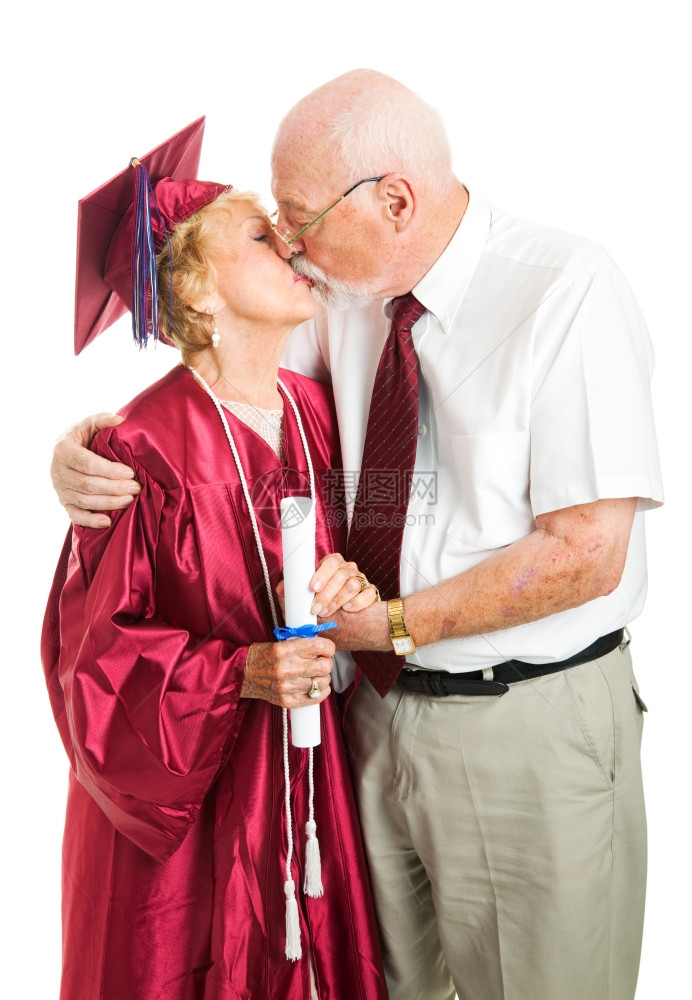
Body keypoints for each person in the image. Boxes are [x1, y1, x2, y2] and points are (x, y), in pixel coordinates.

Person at [50, 71, 663, 1000]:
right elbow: (217, 386)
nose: (293, 244)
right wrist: (82, 452)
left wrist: (392, 625)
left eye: (294, 217)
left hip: (519, 722)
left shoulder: (565, 291)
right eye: (272, 229)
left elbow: (586, 552)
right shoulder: (339, 306)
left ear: (395, 199)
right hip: (361, 731)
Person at [41, 123, 390, 1000]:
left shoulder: (318, 410)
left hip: (305, 782)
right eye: (264, 239)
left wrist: (348, 582)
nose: (293, 248)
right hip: (184, 819)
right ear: (197, 292)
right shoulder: (137, 448)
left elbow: (365, 541)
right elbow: (94, 664)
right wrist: (239, 674)